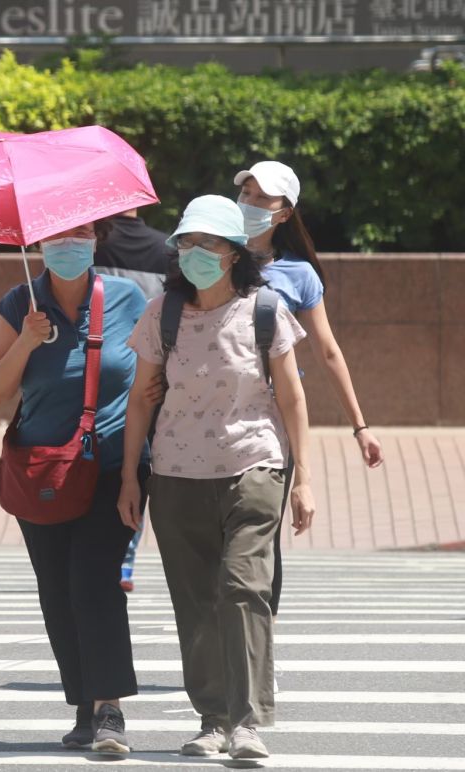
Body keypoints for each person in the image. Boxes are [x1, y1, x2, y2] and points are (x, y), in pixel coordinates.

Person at [118, 195, 316, 760]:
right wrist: (131, 477)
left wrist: (304, 479)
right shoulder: (163, 314)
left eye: (207, 243)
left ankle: (247, 722)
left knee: (243, 589)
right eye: (186, 242)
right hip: (176, 476)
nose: (194, 253)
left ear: (233, 252)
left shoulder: (265, 310)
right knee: (196, 603)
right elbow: (141, 400)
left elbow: (293, 397)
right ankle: (213, 718)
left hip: (254, 467)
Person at [0, 221, 149, 755]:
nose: (69, 243)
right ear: (39, 243)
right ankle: (85, 707)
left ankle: (109, 709)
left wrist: (134, 474)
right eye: (58, 234)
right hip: (43, 473)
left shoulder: (127, 298)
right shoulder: (18, 304)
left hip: (112, 467)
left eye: (80, 233)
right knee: (56, 592)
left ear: (97, 238)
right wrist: (26, 341)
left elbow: (149, 383)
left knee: (94, 582)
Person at [234, 160, 384, 621]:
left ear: (283, 214)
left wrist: (359, 426)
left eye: (263, 198)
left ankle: (258, 641)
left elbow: (328, 351)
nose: (250, 204)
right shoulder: (210, 257)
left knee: (259, 538)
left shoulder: (298, 274)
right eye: (246, 194)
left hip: (271, 421)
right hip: (211, 414)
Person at [94, 208, 175, 592]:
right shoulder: (166, 249)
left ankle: (106, 551)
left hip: (100, 373)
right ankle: (125, 557)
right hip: (152, 377)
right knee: (141, 462)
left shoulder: (90, 245)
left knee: (106, 462)